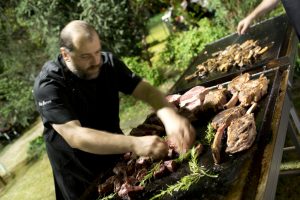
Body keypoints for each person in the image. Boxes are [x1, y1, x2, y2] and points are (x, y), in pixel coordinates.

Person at [33, 20, 196, 200]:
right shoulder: (49, 85)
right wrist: (134, 143)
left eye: (97, 52)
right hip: (81, 176)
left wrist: (169, 116)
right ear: (66, 55)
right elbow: (76, 136)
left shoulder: (107, 64)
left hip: (115, 155)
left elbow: (146, 90)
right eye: (86, 56)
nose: (96, 61)